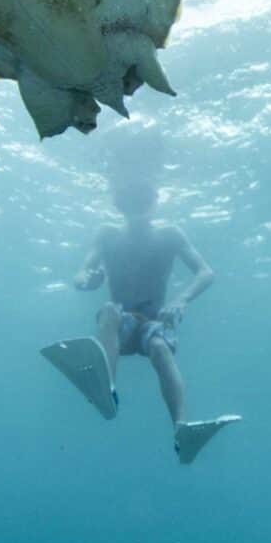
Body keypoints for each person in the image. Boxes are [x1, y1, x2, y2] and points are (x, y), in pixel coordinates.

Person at [71, 172, 235, 464]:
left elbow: (206, 271)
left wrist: (181, 300)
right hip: (119, 320)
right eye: (129, 203)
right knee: (109, 311)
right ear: (120, 207)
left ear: (153, 204)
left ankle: (181, 431)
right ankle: (106, 388)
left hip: (153, 321)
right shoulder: (107, 234)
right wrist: (88, 281)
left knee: (160, 348)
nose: (136, 210)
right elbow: (82, 273)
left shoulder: (170, 235)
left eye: (141, 202)